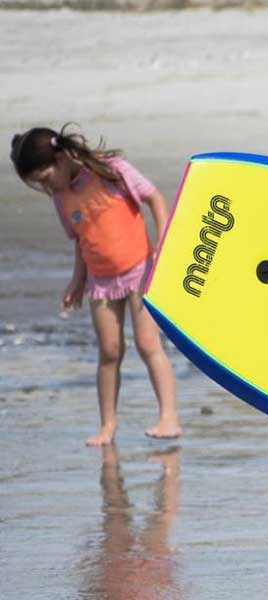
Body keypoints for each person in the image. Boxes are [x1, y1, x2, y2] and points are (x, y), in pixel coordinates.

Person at [11, 127, 180, 446]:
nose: (45, 187)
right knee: (109, 352)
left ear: (60, 158)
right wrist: (77, 279)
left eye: (45, 178)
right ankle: (107, 426)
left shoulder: (110, 170)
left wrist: (162, 244)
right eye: (38, 184)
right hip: (100, 282)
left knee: (147, 344)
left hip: (140, 271)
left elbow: (154, 198)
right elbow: (81, 239)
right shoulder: (61, 197)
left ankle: (168, 417)